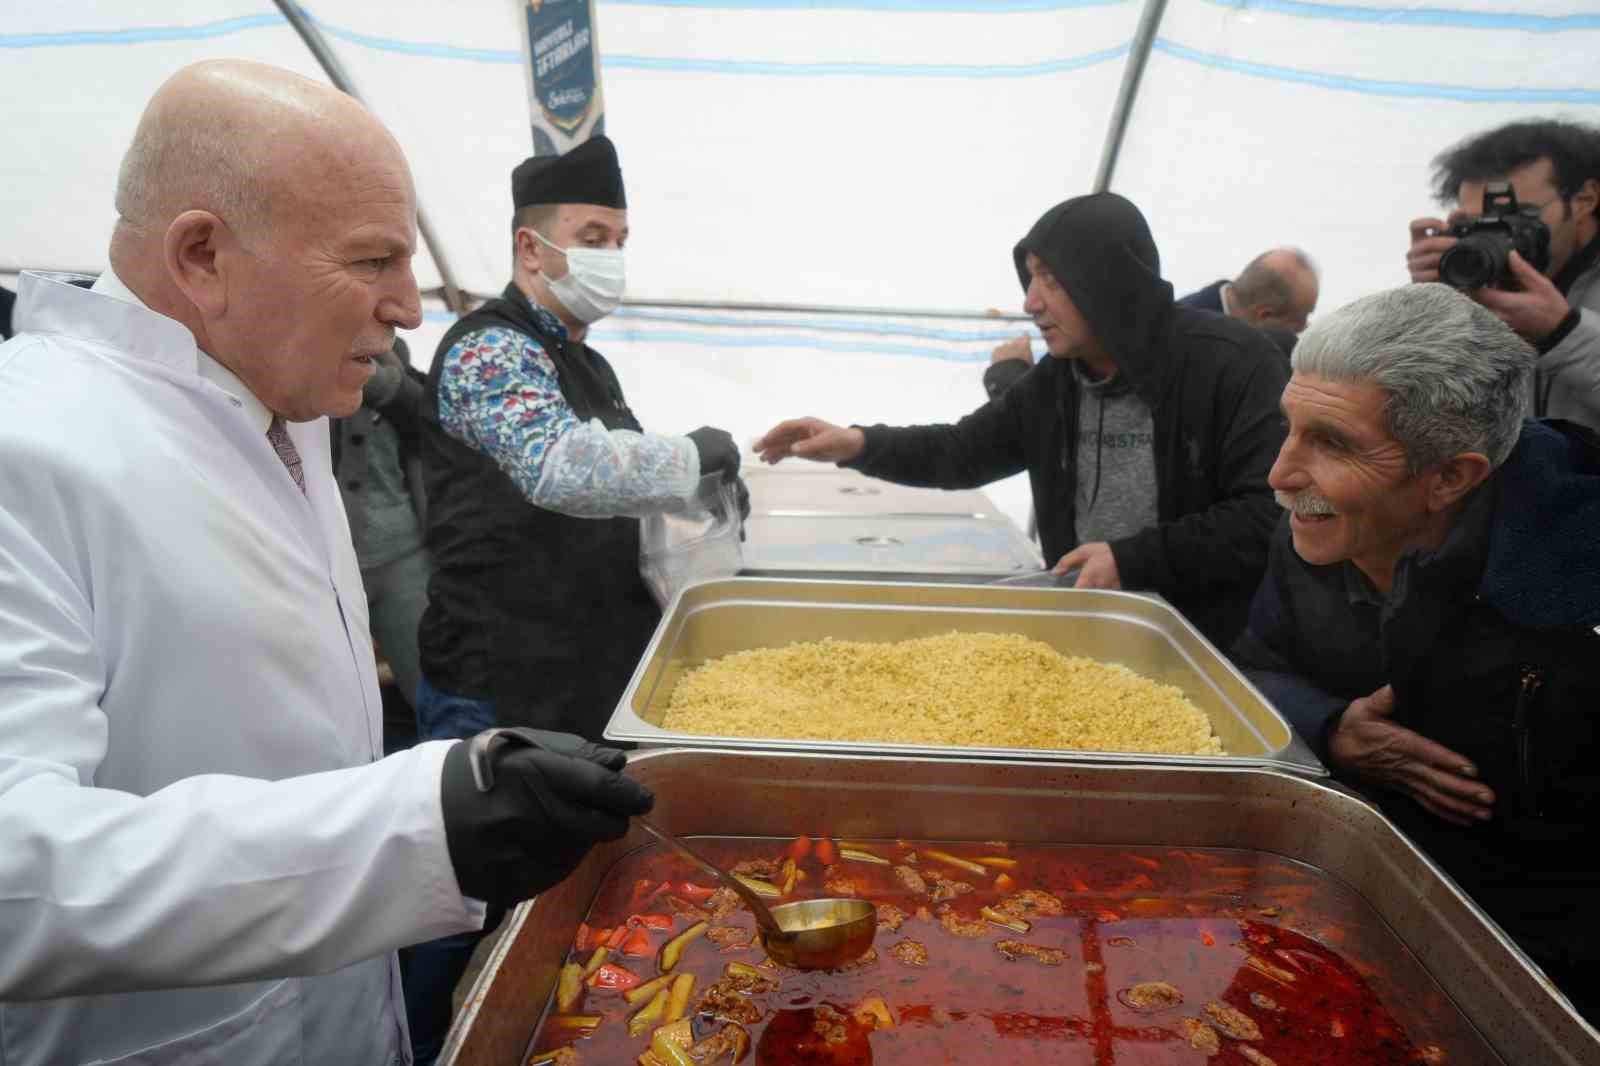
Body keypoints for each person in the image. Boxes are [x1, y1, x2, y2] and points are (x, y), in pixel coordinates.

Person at [0, 60, 652, 1065]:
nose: (410, 306)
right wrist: (414, 826)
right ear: (204, 255)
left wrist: (430, 804)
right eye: (372, 261)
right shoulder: (25, 452)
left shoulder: (273, 394)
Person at [409, 136, 741, 1060]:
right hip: (496, 681)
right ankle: (413, 1041)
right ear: (529, 249)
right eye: (593, 234)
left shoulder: (587, 360)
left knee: (550, 900)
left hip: (580, 667)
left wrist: (701, 510)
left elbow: (619, 500)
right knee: (456, 897)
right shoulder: (487, 351)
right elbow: (562, 467)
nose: (612, 257)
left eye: (622, 237)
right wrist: (693, 456)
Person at [1233, 283, 1600, 1022]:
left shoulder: (1576, 593)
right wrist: (1331, 725)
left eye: (1331, 442)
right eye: (1290, 428)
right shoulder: (1316, 523)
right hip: (1351, 911)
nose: (1280, 475)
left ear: (1451, 477)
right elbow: (1254, 668)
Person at [759, 192, 1288, 648]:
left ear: (1105, 282)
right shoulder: (1057, 382)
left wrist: (1134, 560)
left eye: (1050, 280)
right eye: (1030, 277)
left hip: (1205, 643)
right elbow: (961, 451)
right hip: (1089, 632)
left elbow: (1268, 512)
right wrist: (855, 444)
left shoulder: (1231, 363)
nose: (1030, 301)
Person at [1406, 119, 1600, 429]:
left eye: (1520, 216)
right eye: (1477, 223)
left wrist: (1564, 332)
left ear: (1584, 199)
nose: (1496, 235)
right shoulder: (1481, 282)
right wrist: (1433, 305)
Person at [332, 335, 431, 714]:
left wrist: (383, 382)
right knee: (339, 696)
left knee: (426, 681)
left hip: (402, 552)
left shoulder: (393, 353)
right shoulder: (296, 355)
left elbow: (425, 420)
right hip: (331, 561)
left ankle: (441, 763)